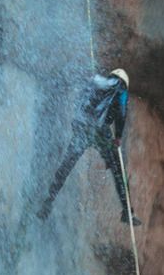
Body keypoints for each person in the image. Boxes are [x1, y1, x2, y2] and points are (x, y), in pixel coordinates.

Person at [38, 68, 142, 226]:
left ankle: (48, 201)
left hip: (83, 128)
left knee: (67, 165)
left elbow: (82, 102)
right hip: (100, 132)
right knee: (118, 170)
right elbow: (121, 113)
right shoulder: (120, 89)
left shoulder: (98, 82)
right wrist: (119, 136)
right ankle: (127, 212)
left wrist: (77, 125)